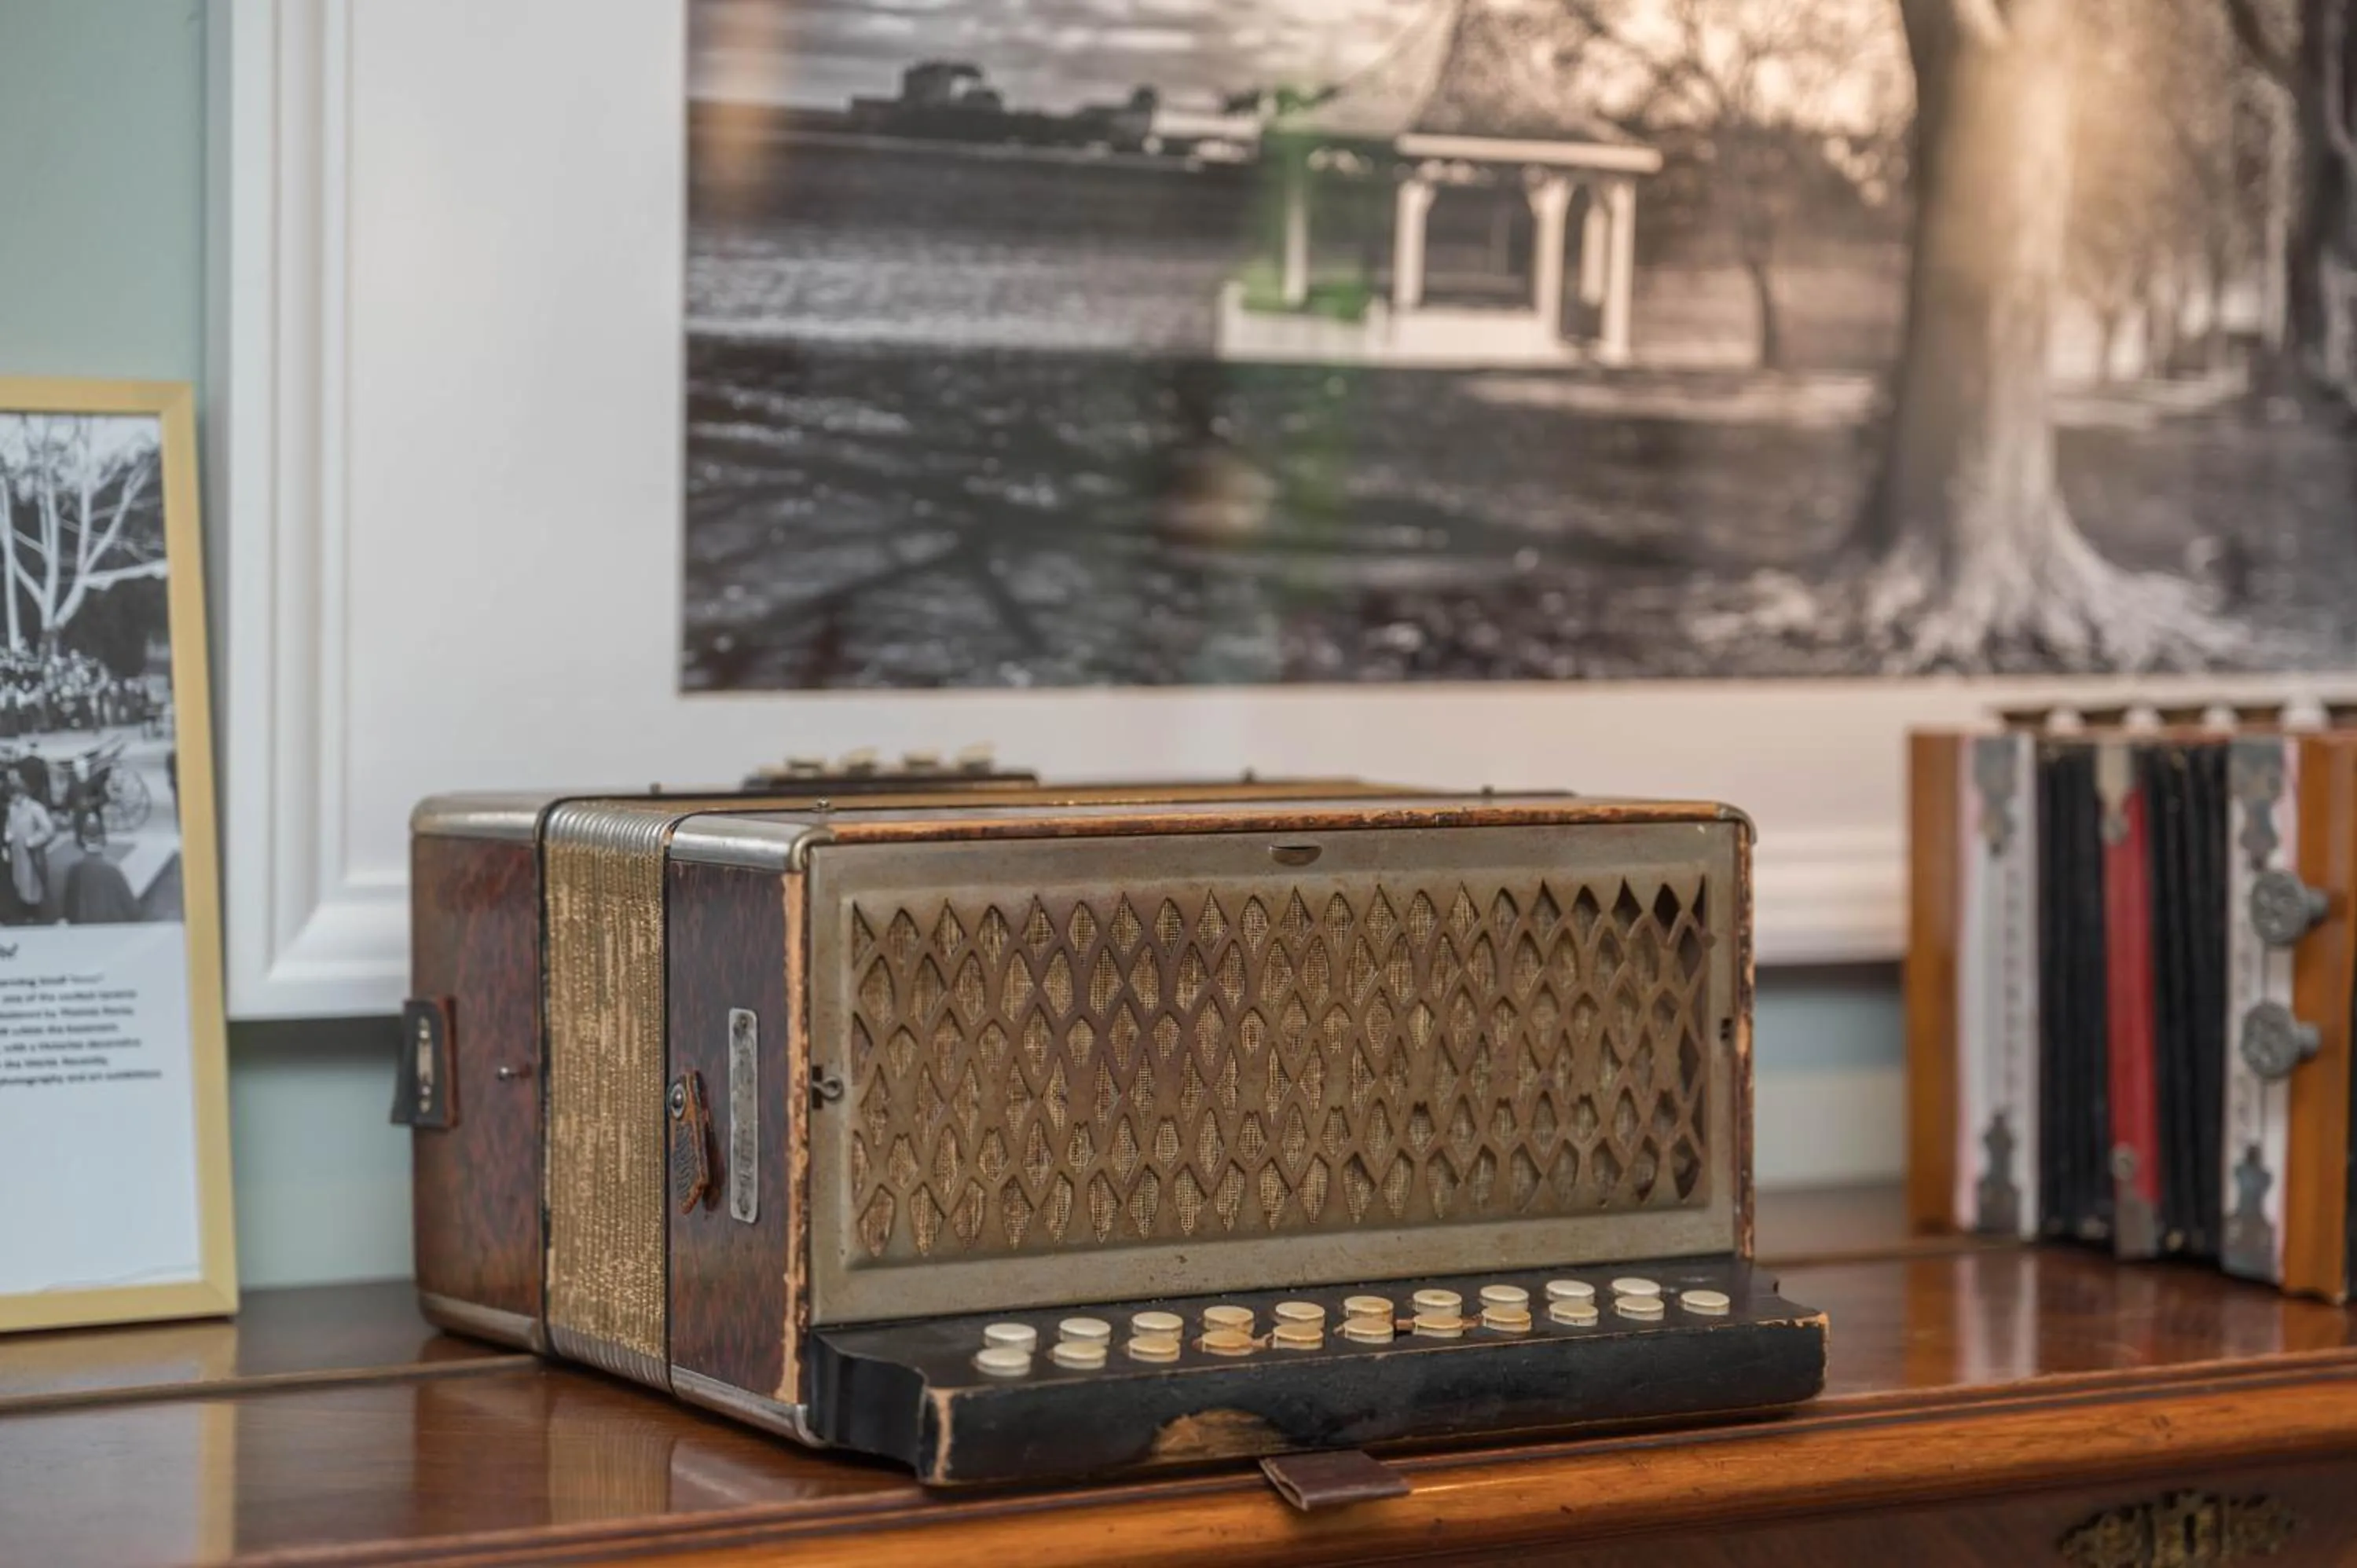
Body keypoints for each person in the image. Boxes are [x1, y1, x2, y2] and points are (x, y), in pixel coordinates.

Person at [5, 780, 57, 922]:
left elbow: (49, 830)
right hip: (17, 853)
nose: (13, 799)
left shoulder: (35, 808)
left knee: (34, 883)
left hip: (33, 854)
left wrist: (34, 840)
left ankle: (39, 912)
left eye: (15, 795)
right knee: (19, 881)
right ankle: (25, 910)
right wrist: (8, 833)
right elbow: (10, 825)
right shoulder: (12, 808)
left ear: (22, 794)